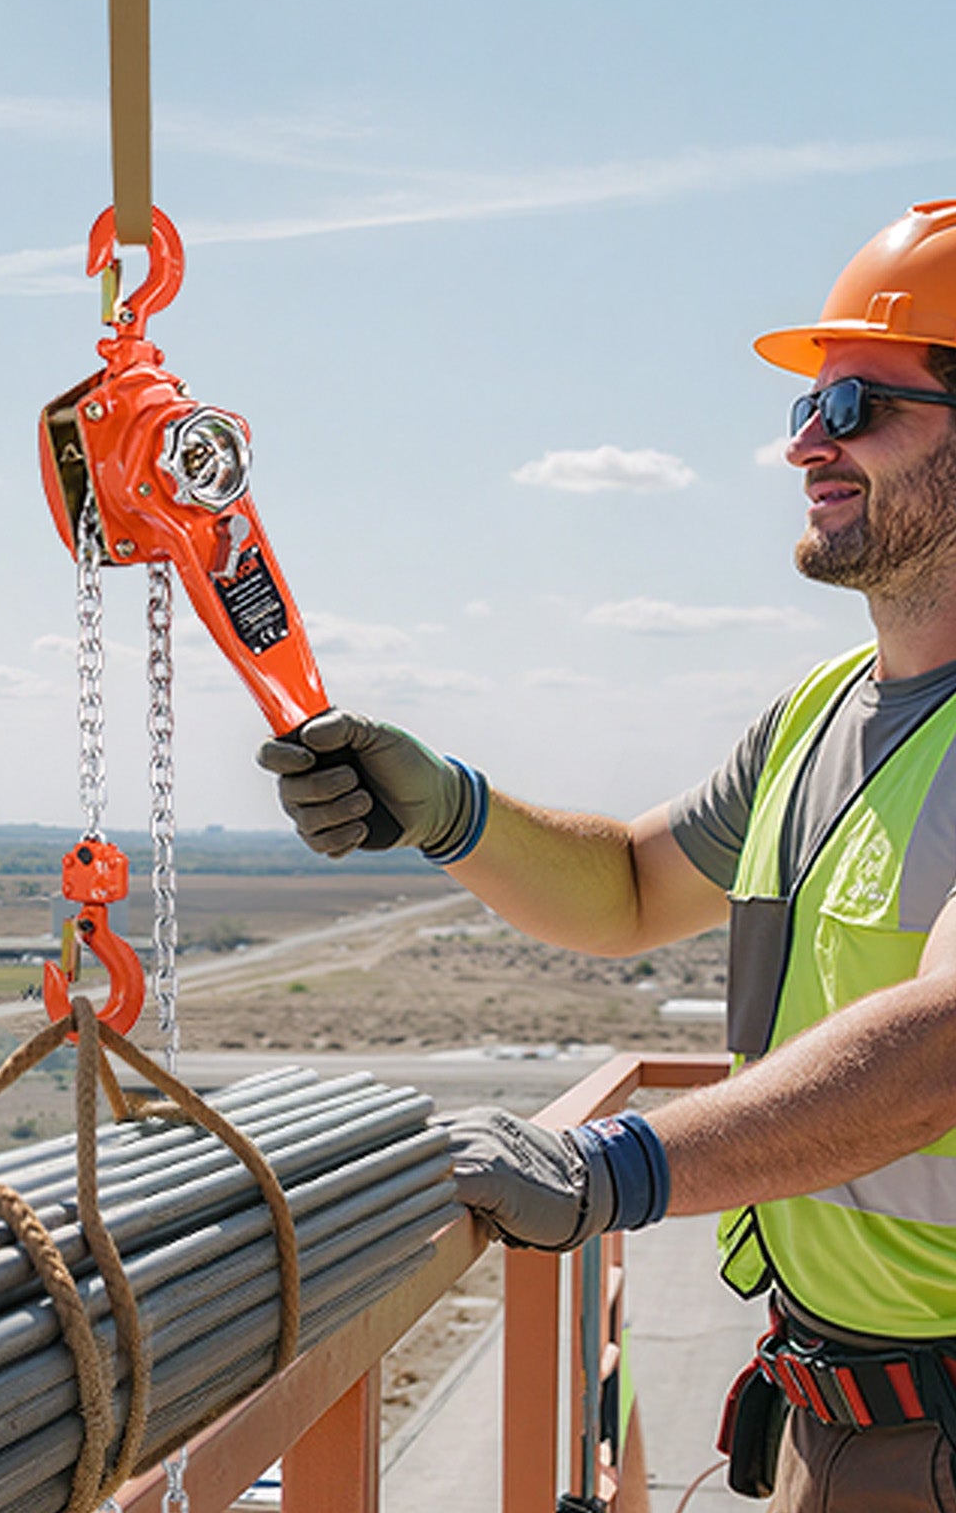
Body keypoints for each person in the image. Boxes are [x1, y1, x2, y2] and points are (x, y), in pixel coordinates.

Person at [258, 200, 956, 1512]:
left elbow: (945, 1046)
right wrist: (442, 808)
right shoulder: (822, 714)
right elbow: (633, 887)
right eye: (808, 405)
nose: (805, 438)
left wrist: (611, 1168)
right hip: (838, 1420)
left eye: (858, 402)